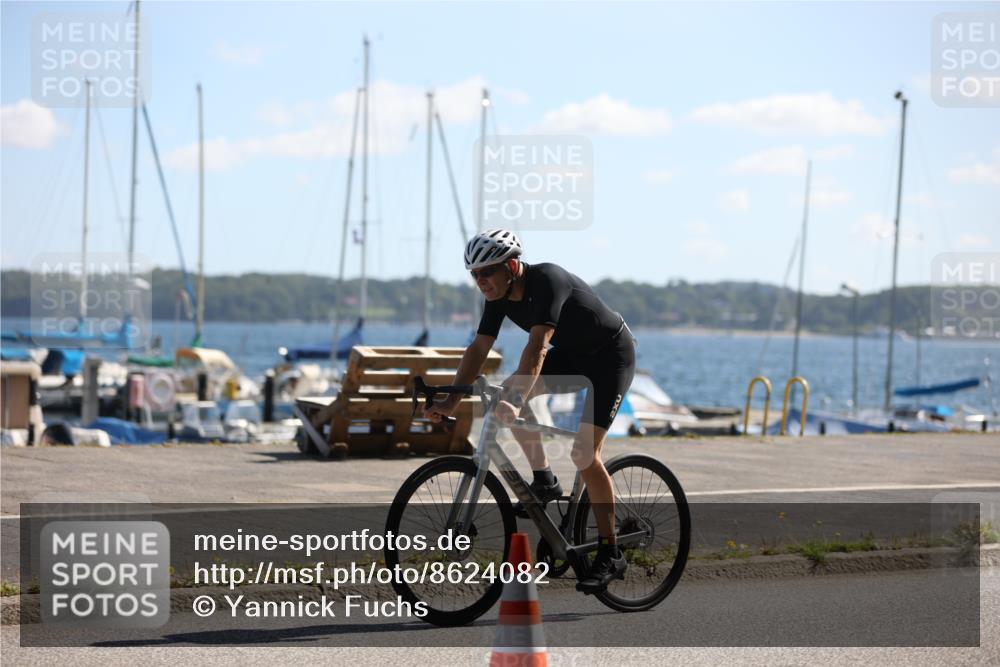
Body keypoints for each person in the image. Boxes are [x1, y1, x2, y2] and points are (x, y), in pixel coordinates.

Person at [423, 228, 637, 593]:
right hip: (574, 356)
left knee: (584, 453)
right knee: (502, 396)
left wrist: (518, 399)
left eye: (487, 272)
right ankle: (545, 481)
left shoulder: (548, 280)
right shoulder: (497, 296)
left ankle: (610, 552)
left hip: (611, 358)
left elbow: (537, 347)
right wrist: (451, 401)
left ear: (510, 267)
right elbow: (478, 348)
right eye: (475, 275)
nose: (481, 281)